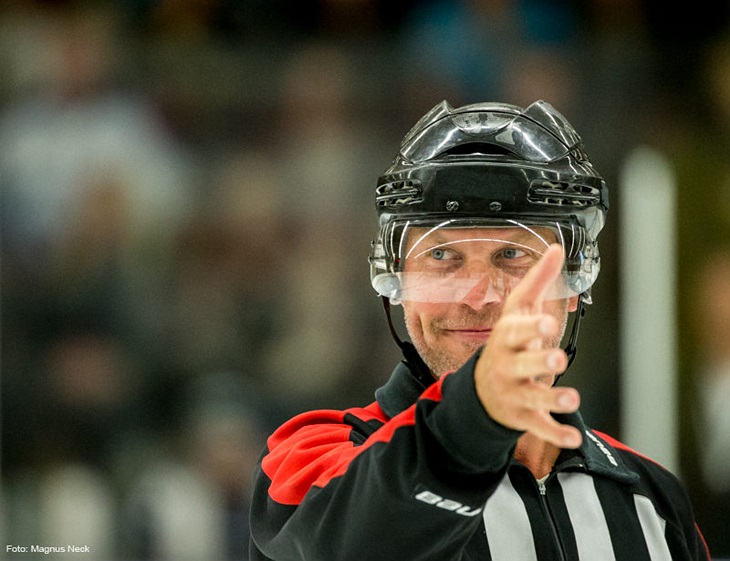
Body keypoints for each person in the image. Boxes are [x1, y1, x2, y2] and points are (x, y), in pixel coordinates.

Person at [248, 100, 711, 560]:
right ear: (396, 281)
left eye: (512, 256)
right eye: (441, 256)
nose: (478, 296)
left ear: (575, 282)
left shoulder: (654, 502)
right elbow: (350, 545)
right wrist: (471, 421)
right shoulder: (308, 457)